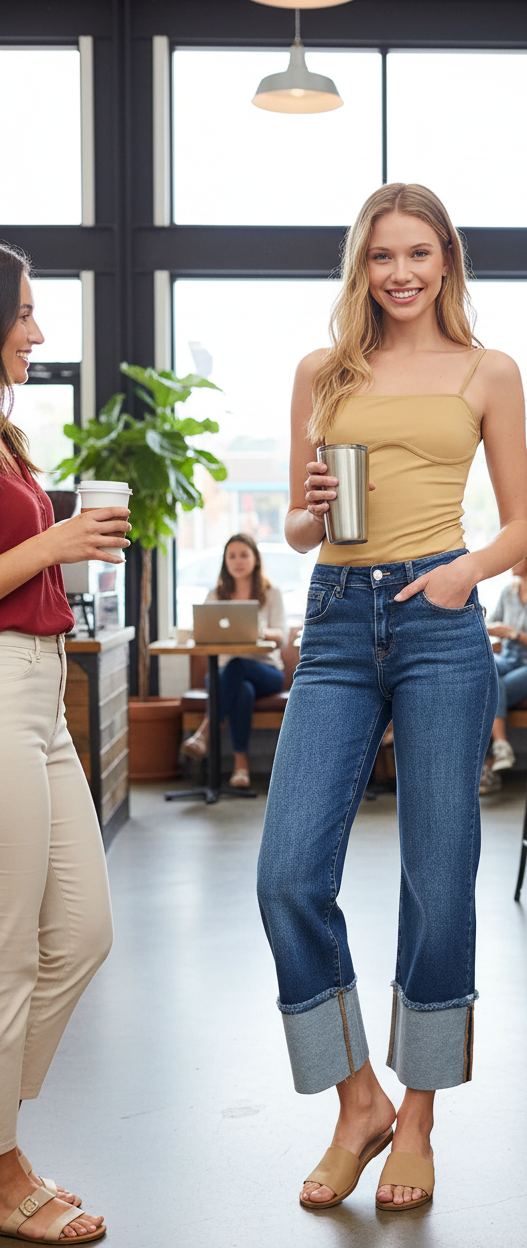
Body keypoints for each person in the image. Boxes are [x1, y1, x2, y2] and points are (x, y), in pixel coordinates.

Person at [256, 183, 527, 1213]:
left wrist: (463, 576)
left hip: (439, 617)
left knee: (438, 873)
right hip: (333, 618)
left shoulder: (486, 371)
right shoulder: (322, 373)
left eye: (419, 253)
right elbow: (294, 525)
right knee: (286, 873)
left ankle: (417, 1117)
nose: (402, 273)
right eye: (382, 257)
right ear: (360, 268)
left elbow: (521, 529)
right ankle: (355, 1099)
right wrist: (306, 510)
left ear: (447, 261)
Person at [0, 243, 129, 1242]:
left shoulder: (7, 435)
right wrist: (57, 544)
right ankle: (3, 1170)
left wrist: (57, 559)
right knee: (5, 952)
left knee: (82, 932)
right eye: (27, 312)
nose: (38, 332)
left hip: (43, 690)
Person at [182, 534, 284, 788]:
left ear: (255, 559)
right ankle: (241, 767)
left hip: (267, 671)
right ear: (225, 561)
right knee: (241, 689)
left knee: (238, 666)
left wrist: (260, 631)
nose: (237, 561)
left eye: (243, 555)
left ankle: (205, 730)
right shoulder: (216, 594)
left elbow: (280, 635)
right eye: (232, 556)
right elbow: (201, 630)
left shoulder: (271, 593)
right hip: (225, 673)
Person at [479, 546, 527, 794]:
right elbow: (492, 623)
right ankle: (492, 761)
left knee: (494, 683)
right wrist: (495, 631)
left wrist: (513, 633)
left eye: (516, 556)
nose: (509, 560)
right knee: (482, 671)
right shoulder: (508, 592)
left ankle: (499, 750)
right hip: (509, 657)